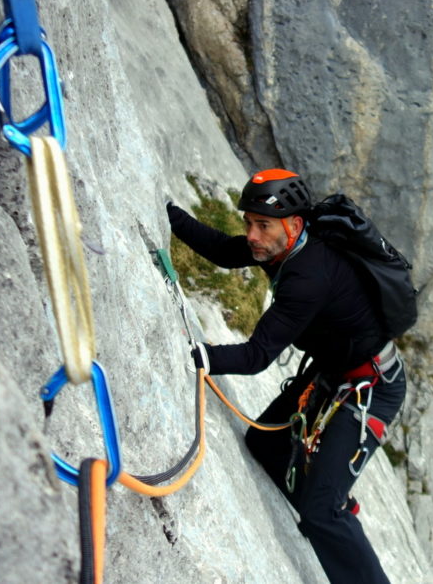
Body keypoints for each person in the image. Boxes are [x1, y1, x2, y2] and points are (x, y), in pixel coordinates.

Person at [167, 168, 406, 584]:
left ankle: (330, 506)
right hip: (332, 374)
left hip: (371, 388)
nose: (252, 235)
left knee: (320, 513)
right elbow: (226, 252)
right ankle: (326, 492)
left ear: (294, 225)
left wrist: (198, 355)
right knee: (265, 443)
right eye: (249, 223)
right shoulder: (284, 246)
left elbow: (258, 354)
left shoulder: (308, 275)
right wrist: (169, 214)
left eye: (262, 225)